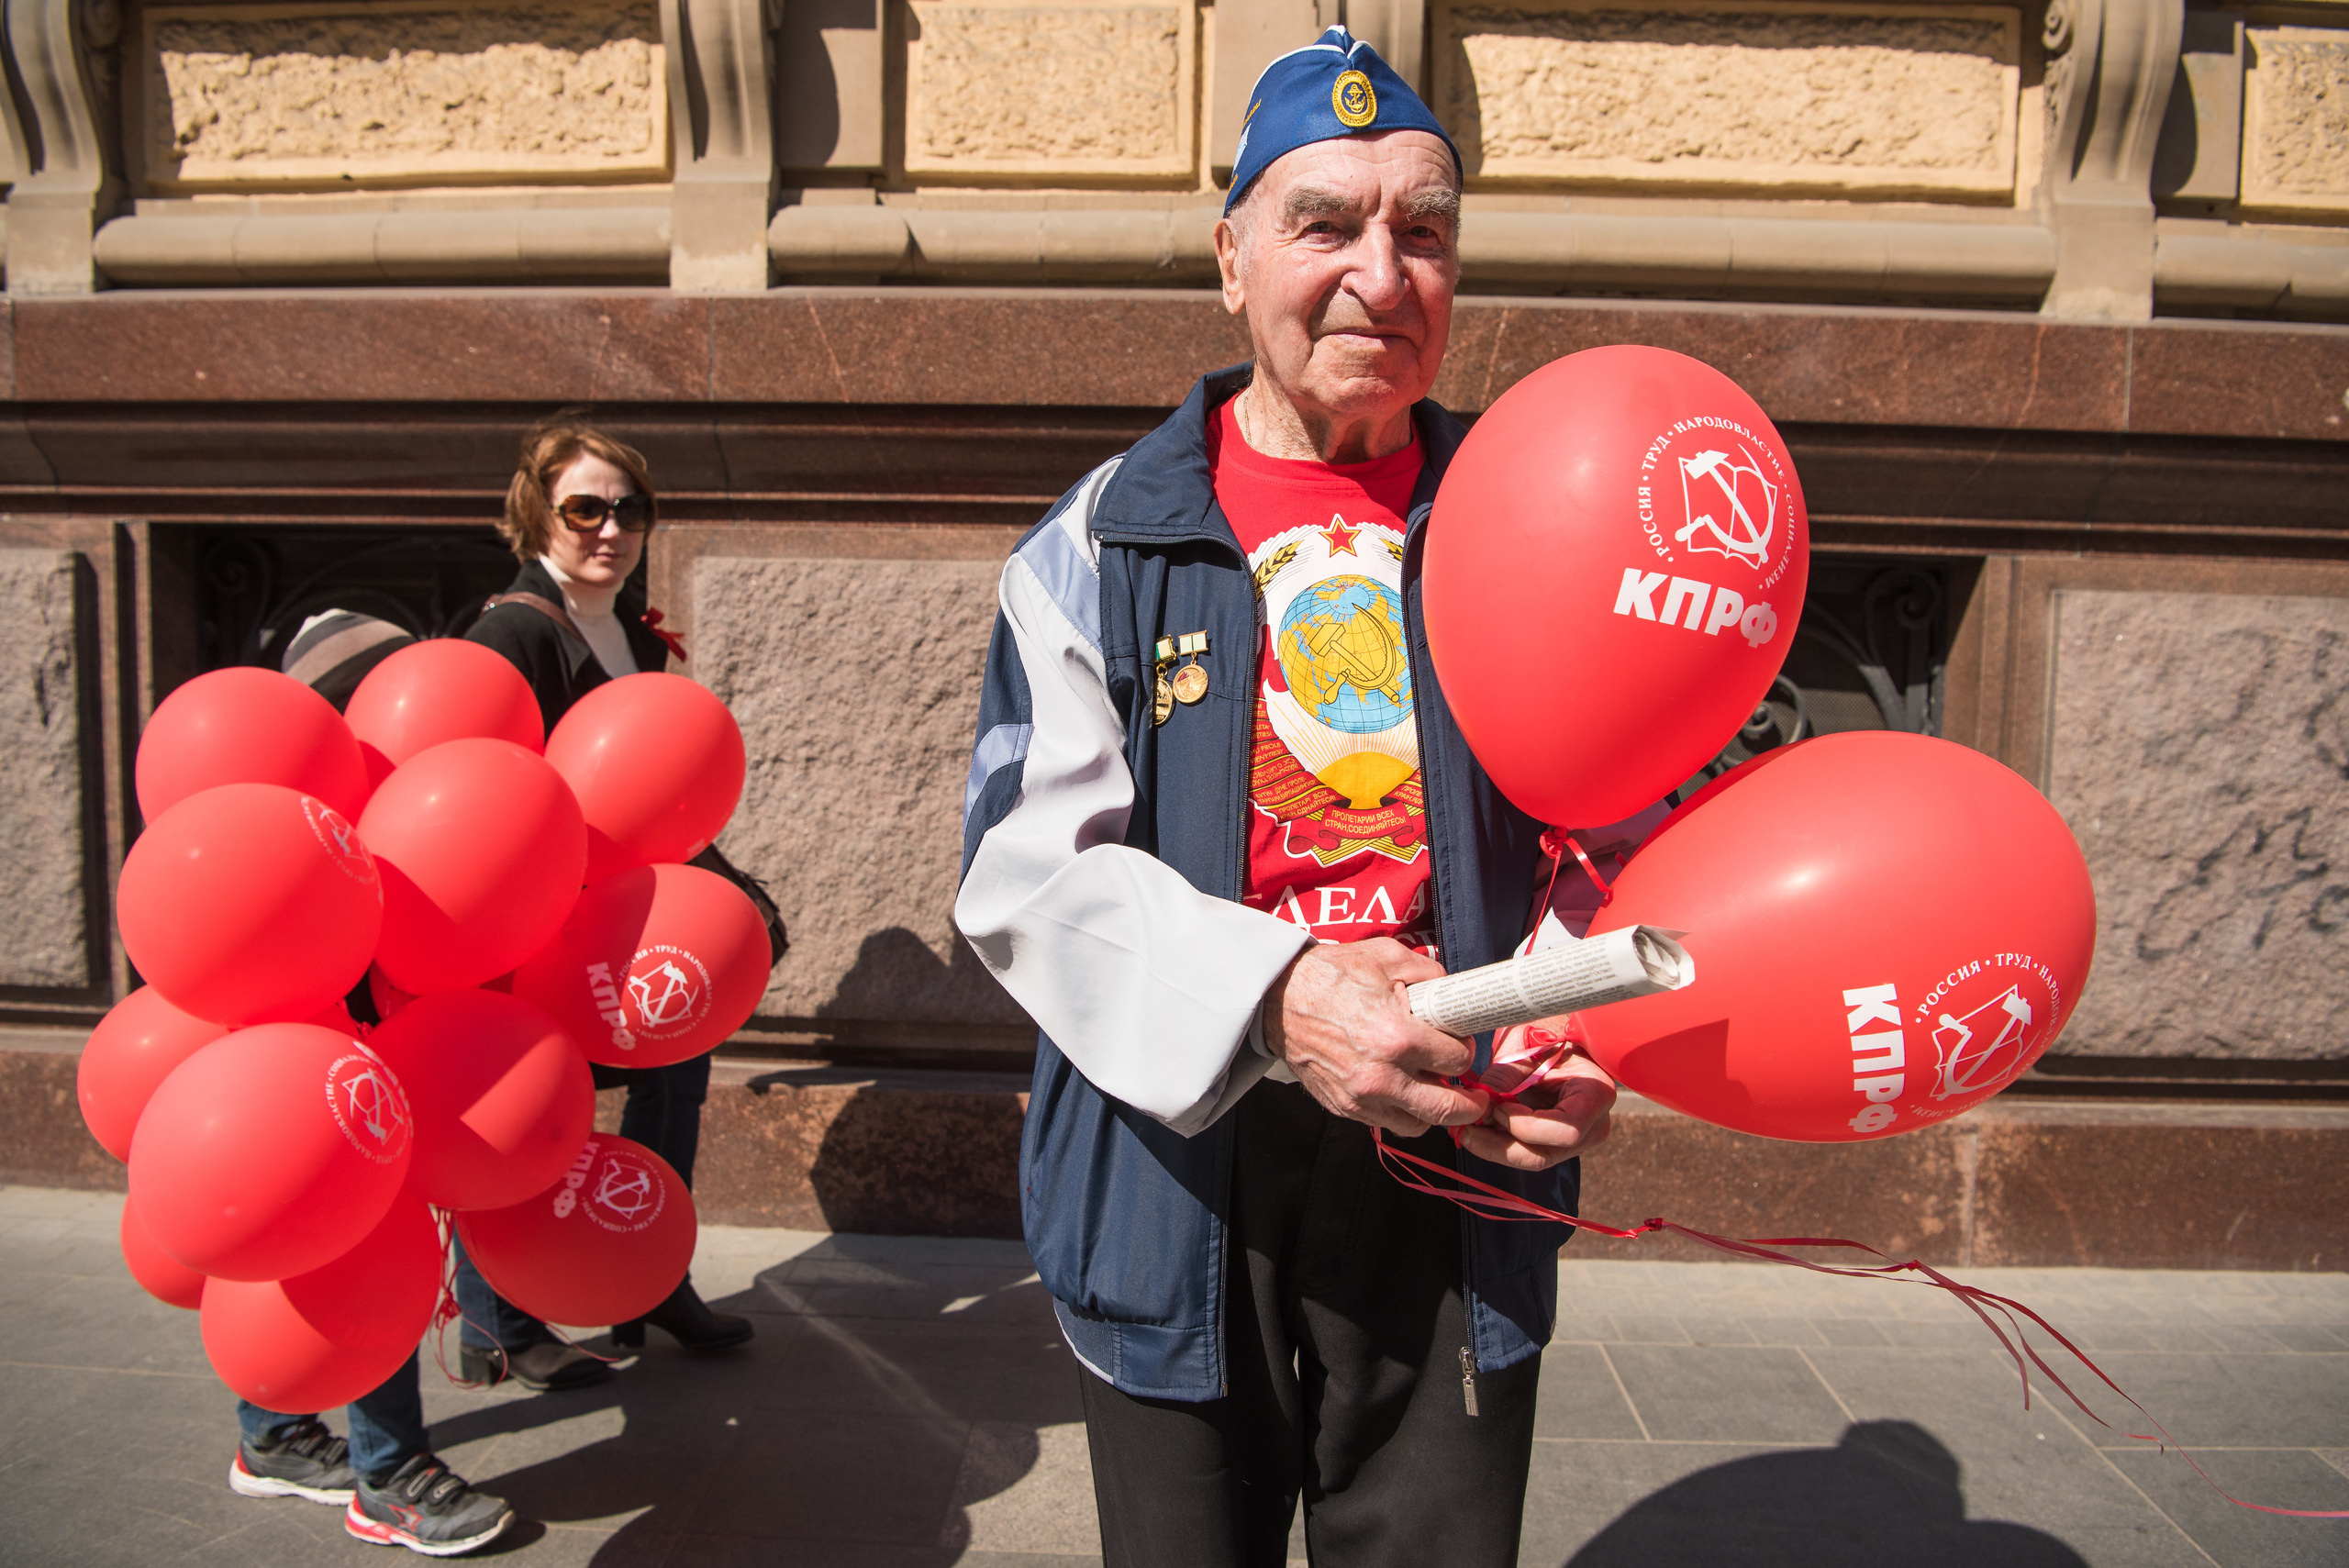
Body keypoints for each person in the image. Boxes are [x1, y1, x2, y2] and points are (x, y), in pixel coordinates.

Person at [953, 28, 1620, 1568]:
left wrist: (1581, 1014)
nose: (1380, 274)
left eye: (1424, 230)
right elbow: (1025, 870)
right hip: (1182, 1160)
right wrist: (1284, 992)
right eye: (1325, 222)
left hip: (1459, 1158)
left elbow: (1622, 827)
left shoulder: (1543, 517)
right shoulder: (1102, 539)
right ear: (1231, 258)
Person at [457, 416, 763, 1378]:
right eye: (584, 507)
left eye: (628, 509)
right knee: (535, 1111)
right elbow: (495, 794)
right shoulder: (510, 631)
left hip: (635, 920)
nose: (609, 528)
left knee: (677, 1075)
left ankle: (652, 1274)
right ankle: (497, 1314)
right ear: (536, 514)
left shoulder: (633, 630)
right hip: (540, 928)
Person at [224, 621, 514, 1558]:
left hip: (355, 1032)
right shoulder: (284, 835)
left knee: (313, 1222)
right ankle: (386, 1474)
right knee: (351, 1225)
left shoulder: (397, 832)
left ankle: (272, 1435)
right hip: (294, 1053)